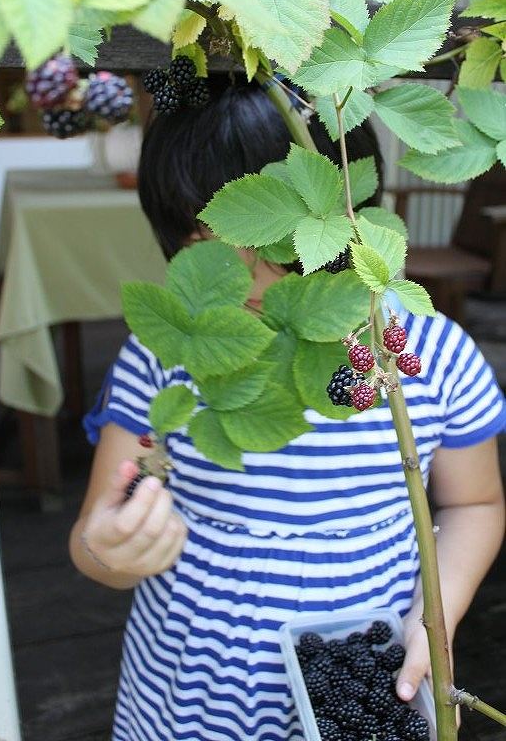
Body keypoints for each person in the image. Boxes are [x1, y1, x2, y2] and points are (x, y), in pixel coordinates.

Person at [69, 77, 506, 741]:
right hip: (192, 692)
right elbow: (98, 530)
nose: (242, 267)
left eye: (271, 236)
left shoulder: (423, 356)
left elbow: (473, 504)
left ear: (346, 209)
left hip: (363, 683)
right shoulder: (168, 353)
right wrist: (108, 551)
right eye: (201, 235)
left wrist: (433, 617)